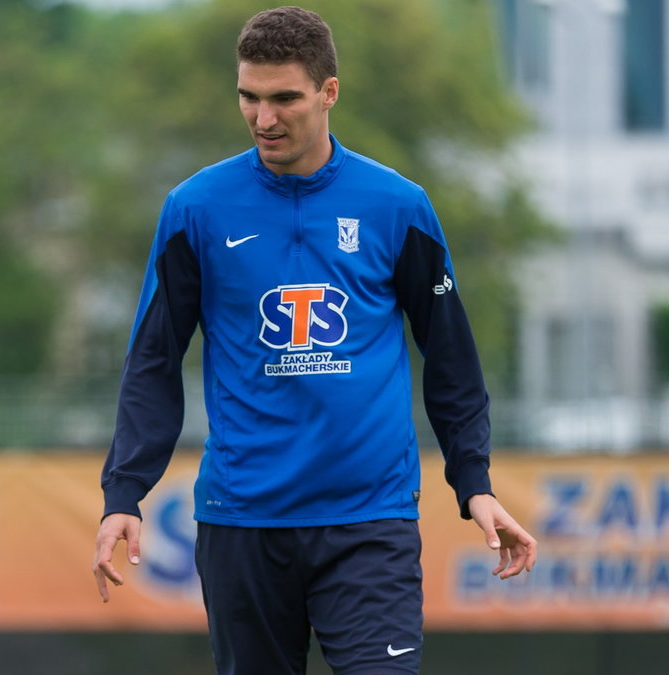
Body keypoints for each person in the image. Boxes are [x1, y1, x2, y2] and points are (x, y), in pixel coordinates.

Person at [91, 7, 536, 674]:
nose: (263, 118)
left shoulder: (398, 205)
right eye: (249, 96)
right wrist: (124, 492)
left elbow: (450, 357)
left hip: (369, 520)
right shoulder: (195, 208)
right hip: (242, 520)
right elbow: (153, 360)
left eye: (284, 98)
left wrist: (473, 480)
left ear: (329, 92)